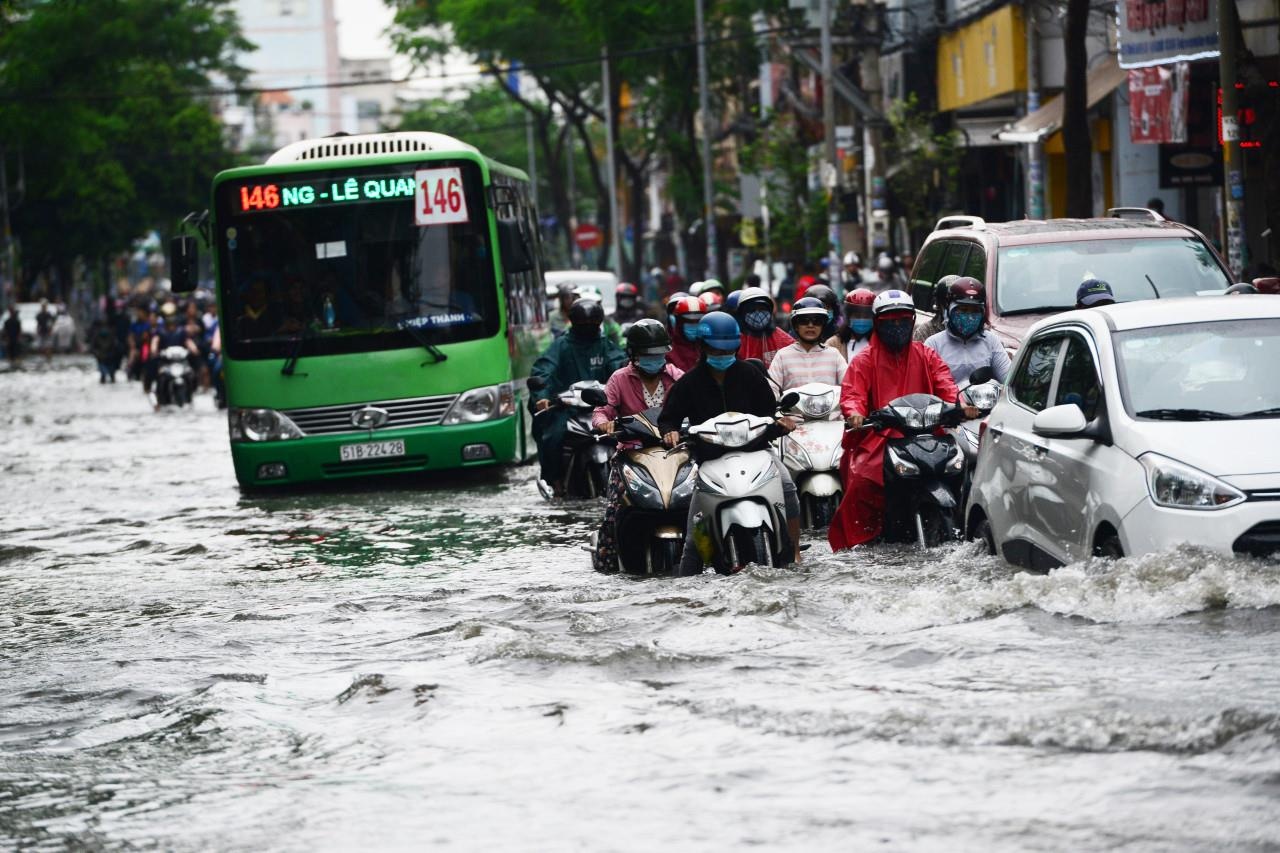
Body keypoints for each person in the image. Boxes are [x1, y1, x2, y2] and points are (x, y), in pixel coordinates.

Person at [658, 312, 802, 572]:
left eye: (728, 350)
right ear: (702, 347)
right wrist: (670, 432)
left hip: (757, 451)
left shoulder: (750, 374)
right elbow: (668, 418)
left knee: (788, 488)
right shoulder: (688, 383)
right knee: (694, 536)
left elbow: (769, 413)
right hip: (710, 459)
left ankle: (794, 549)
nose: (722, 356)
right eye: (716, 350)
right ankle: (688, 588)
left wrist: (780, 422)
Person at [828, 290, 970, 552]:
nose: (897, 327)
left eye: (903, 321)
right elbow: (853, 394)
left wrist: (957, 406)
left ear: (913, 321)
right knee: (863, 482)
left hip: (928, 433)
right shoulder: (864, 361)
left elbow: (945, 384)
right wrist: (856, 413)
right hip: (880, 437)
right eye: (890, 321)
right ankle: (861, 541)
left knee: (964, 466)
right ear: (877, 323)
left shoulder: (926, 355)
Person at [590, 319, 685, 571]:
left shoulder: (676, 376)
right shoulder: (618, 379)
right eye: (647, 355)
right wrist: (604, 423)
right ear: (633, 354)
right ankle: (607, 563)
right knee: (613, 511)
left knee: (701, 500)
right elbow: (603, 410)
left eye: (659, 354)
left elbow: (694, 402)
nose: (655, 360)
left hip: (675, 452)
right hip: (632, 455)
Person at [530, 298, 628, 496]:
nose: (588, 328)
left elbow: (620, 366)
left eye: (592, 324)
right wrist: (542, 396)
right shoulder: (561, 346)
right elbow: (543, 371)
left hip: (603, 408)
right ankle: (554, 480)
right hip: (567, 409)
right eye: (583, 324)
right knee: (552, 436)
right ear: (573, 323)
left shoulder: (606, 346)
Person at [923, 277, 1012, 386]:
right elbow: (925, 388)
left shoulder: (991, 341)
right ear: (949, 311)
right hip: (948, 402)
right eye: (963, 310)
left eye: (975, 311)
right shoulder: (933, 344)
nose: (969, 317)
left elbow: (1009, 380)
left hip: (984, 401)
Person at [768, 297, 847, 393]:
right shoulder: (782, 356)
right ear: (796, 326)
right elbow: (772, 390)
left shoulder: (834, 355)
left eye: (817, 321)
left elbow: (848, 386)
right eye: (804, 321)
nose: (810, 325)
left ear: (823, 325)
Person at [734, 287, 794, 368]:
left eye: (762, 309)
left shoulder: (783, 339)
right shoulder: (736, 342)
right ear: (742, 313)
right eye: (752, 310)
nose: (758, 313)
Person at [828, 287, 876, 360]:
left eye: (866, 316)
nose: (862, 319)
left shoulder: (880, 343)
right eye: (857, 315)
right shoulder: (834, 343)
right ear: (848, 316)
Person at [914, 274, 960, 342]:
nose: (953, 308)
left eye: (958, 305)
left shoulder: (972, 333)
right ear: (939, 304)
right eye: (948, 303)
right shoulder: (926, 331)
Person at [667, 295, 706, 372]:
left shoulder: (711, 348)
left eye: (698, 321)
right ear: (679, 323)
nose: (694, 325)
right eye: (689, 321)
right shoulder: (669, 353)